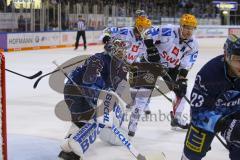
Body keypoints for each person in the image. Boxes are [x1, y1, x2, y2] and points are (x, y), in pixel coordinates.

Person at [58, 38, 131, 160]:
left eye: (123, 51)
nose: (123, 53)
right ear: (112, 51)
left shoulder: (120, 65)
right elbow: (88, 82)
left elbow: (117, 89)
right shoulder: (98, 60)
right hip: (76, 92)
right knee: (90, 120)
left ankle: (68, 148)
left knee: (82, 122)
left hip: (84, 91)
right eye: (120, 51)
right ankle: (74, 148)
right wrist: (97, 103)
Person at [182, 34, 240, 160]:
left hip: (236, 112)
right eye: (238, 59)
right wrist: (224, 124)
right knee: (192, 154)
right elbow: (198, 113)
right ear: (226, 55)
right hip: (211, 114)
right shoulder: (209, 74)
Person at [137, 13, 199, 131]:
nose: (189, 31)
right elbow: (147, 33)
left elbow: (188, 61)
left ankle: (176, 119)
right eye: (186, 27)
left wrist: (182, 78)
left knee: (183, 91)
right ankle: (134, 117)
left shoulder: (193, 44)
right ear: (181, 26)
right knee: (143, 91)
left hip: (171, 68)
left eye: (191, 28)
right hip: (153, 63)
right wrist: (150, 49)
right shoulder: (168, 30)